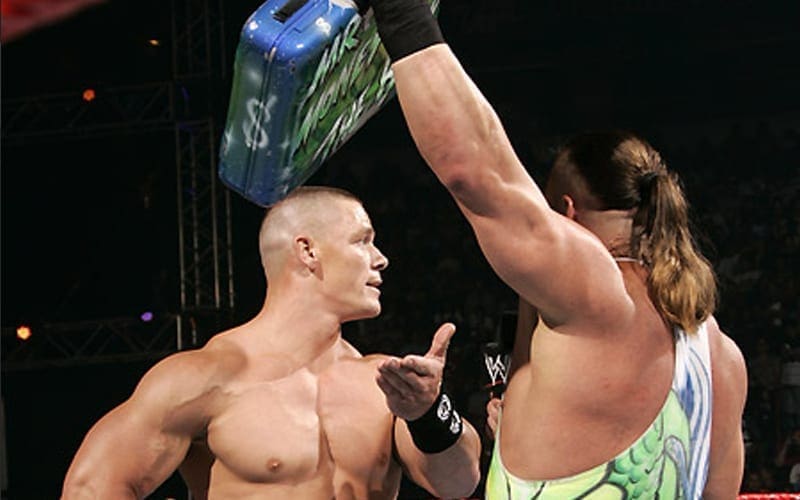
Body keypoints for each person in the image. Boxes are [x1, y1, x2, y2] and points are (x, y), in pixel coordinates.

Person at [365, 2, 748, 498]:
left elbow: (475, 172)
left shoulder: (597, 291)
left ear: (566, 213)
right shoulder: (721, 356)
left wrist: (402, 14)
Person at [61, 186, 481, 499]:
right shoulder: (204, 376)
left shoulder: (382, 381)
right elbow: (90, 489)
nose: (380, 258)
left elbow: (459, 483)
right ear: (308, 251)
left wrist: (428, 413)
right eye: (362, 240)